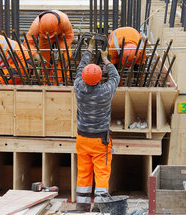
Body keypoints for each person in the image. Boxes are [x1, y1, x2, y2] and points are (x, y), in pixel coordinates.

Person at [74, 37, 120, 212]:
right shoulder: (105, 91)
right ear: (100, 77)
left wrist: (89, 49)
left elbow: (79, 70)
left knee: (84, 172)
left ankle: (82, 206)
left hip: (82, 138)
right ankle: (100, 207)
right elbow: (115, 77)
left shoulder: (78, 87)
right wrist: (106, 59)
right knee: (101, 173)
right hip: (100, 140)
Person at [25, 10, 74, 84]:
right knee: (44, 62)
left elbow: (69, 36)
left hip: (61, 36)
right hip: (44, 39)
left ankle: (61, 81)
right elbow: (28, 42)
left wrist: (62, 49)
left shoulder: (64, 21)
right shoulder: (36, 25)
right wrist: (36, 55)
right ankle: (47, 82)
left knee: (65, 57)